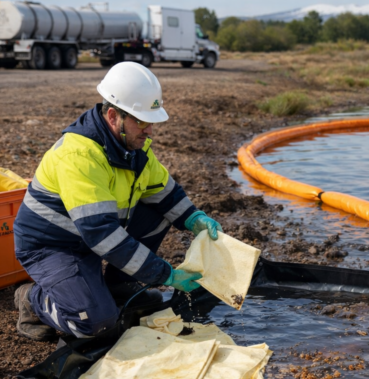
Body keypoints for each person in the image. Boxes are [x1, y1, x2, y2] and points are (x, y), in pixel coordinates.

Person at [13, 62, 221, 341]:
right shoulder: (80, 156)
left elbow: (165, 193)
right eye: (142, 121)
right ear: (113, 116)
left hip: (87, 239)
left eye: (152, 121)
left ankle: (117, 286)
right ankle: (33, 299)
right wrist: (164, 274)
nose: (149, 130)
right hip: (53, 247)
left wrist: (194, 218)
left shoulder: (132, 146)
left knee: (163, 211)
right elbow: (102, 233)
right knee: (97, 323)